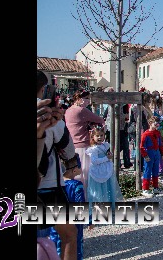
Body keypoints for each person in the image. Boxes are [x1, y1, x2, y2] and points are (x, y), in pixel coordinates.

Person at [37, 71, 78, 260]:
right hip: (48, 185)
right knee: (68, 235)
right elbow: (68, 149)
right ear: (45, 89)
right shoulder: (47, 115)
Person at [65, 89, 105, 189]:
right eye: (86, 98)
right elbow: (99, 119)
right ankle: (87, 198)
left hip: (72, 145)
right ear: (79, 99)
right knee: (86, 174)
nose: (88, 101)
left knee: (76, 173)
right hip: (83, 145)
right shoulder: (82, 110)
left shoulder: (68, 110)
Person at [49, 156, 86, 260]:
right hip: (73, 222)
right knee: (74, 244)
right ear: (74, 170)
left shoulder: (54, 185)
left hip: (55, 221)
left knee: (56, 244)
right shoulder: (77, 185)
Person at [85, 126, 124, 208]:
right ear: (93, 137)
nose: (100, 137)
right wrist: (106, 158)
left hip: (104, 168)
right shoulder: (94, 149)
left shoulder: (104, 145)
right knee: (98, 188)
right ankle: (99, 206)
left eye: (101, 135)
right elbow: (94, 161)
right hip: (97, 170)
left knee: (106, 187)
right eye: (97, 136)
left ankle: (108, 204)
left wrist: (109, 155)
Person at [139, 116, 163, 196]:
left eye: (158, 123)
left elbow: (160, 144)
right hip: (149, 153)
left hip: (156, 153)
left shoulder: (157, 133)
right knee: (147, 171)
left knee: (155, 171)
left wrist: (162, 154)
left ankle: (155, 187)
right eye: (156, 123)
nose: (158, 124)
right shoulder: (145, 134)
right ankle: (145, 189)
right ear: (150, 123)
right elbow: (141, 147)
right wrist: (145, 156)